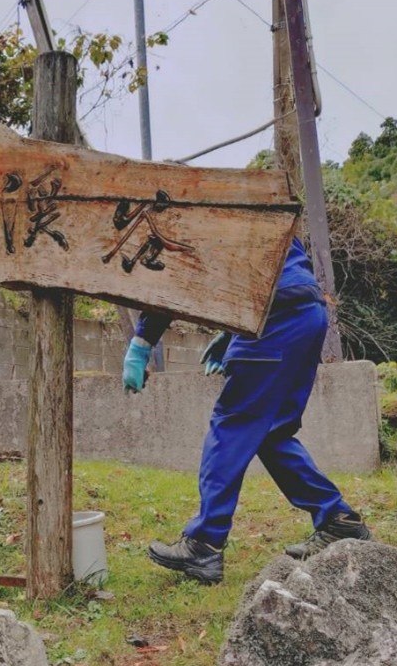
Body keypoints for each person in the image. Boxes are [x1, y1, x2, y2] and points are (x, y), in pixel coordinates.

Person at [121, 236, 371, 584]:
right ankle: (338, 520)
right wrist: (233, 328)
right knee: (272, 432)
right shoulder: (254, 188)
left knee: (232, 426)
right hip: (307, 312)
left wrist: (142, 341)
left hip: (273, 317)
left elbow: (173, 271)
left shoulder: (198, 197)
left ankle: (204, 543)